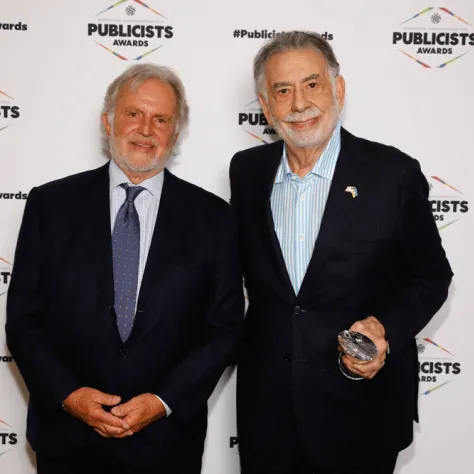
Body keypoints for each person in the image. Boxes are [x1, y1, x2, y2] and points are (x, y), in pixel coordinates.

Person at [230, 31, 453, 474]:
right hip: (267, 413)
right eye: (282, 90)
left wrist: (384, 326)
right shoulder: (247, 171)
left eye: (312, 84)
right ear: (265, 104)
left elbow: (431, 277)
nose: (298, 103)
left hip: (361, 410)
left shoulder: (394, 174)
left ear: (338, 89)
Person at [6, 63, 244, 474]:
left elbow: (224, 328)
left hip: (166, 445)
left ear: (175, 131)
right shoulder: (50, 206)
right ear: (108, 121)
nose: (146, 129)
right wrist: (70, 395)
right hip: (67, 441)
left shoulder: (214, 218)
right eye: (134, 113)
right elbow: (25, 321)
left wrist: (163, 401)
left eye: (161, 118)